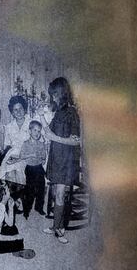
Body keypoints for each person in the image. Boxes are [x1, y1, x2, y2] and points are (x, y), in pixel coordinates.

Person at [40, 77, 81, 244]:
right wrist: (42, 117)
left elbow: (76, 140)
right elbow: (49, 132)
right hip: (56, 157)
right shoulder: (58, 112)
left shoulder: (72, 113)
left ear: (62, 94)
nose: (52, 98)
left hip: (66, 160)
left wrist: (55, 138)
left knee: (59, 195)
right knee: (57, 194)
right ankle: (56, 225)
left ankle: (59, 230)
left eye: (54, 95)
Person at [0, 178, 35, 259]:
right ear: (4, 195)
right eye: (8, 190)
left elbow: (10, 223)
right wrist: (13, 238)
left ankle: (16, 248)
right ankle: (18, 250)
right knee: (18, 241)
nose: (10, 191)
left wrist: (11, 207)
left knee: (13, 228)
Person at [19, 120, 48, 218]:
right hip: (30, 169)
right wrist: (31, 154)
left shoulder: (41, 144)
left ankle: (39, 207)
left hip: (39, 168)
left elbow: (43, 156)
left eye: (39, 131)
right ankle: (26, 209)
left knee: (41, 189)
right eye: (35, 130)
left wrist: (42, 158)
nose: (37, 133)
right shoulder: (25, 143)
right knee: (29, 190)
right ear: (30, 131)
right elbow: (21, 156)